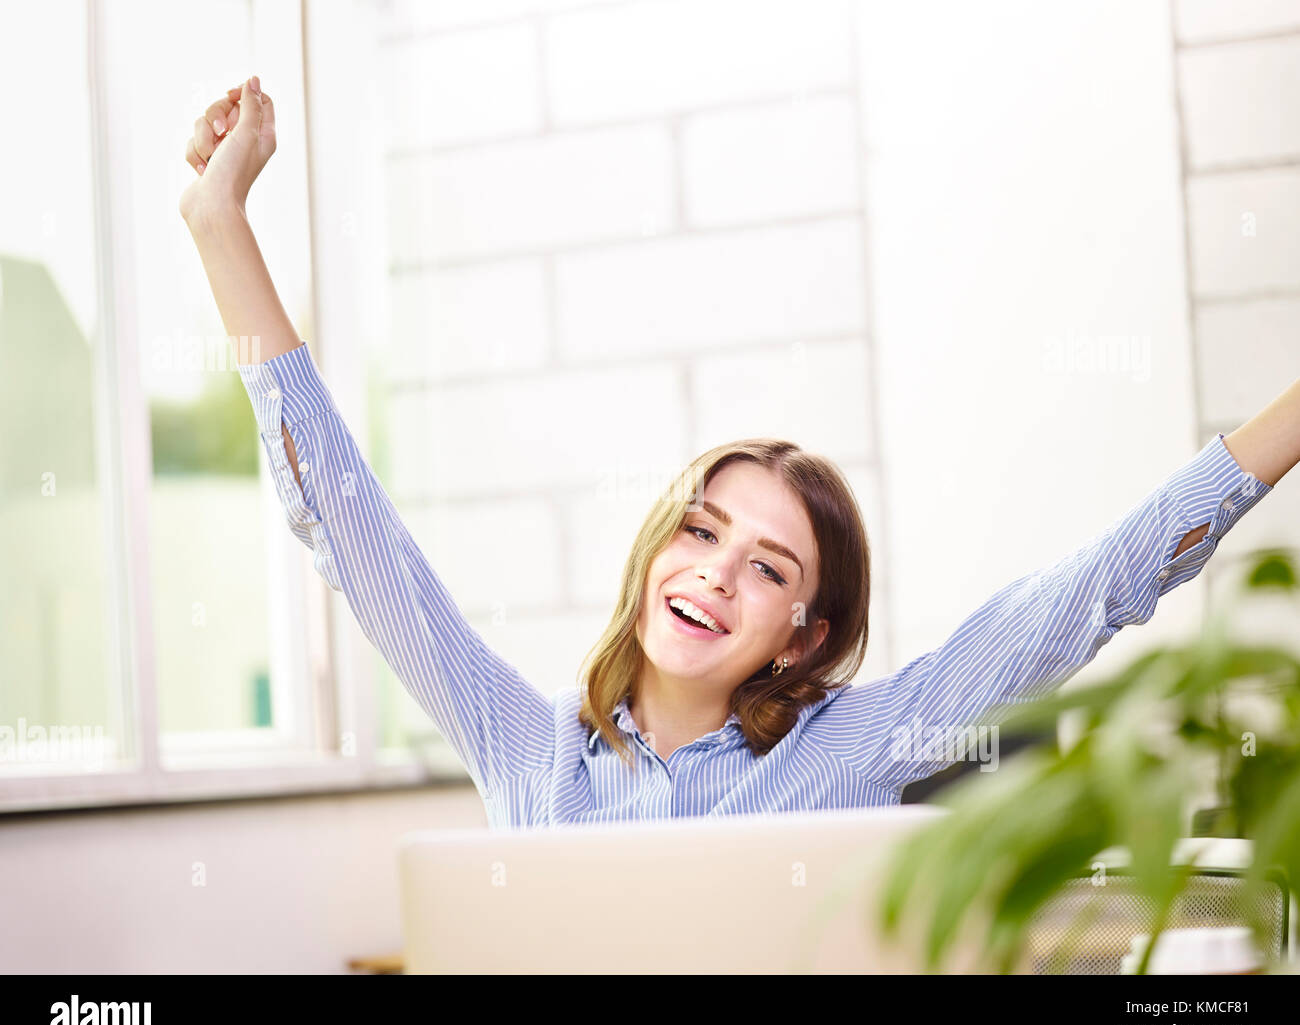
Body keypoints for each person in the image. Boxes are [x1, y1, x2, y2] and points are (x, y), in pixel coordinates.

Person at [181, 77, 1298, 829]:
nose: (716, 571)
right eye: (703, 531)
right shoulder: (526, 749)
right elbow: (342, 516)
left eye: (768, 567)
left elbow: (1092, 592)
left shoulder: (847, 752)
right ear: (657, 549)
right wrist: (219, 221)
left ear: (800, 635)